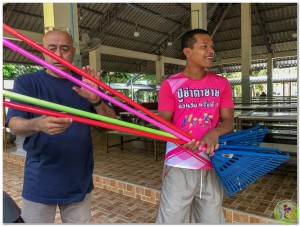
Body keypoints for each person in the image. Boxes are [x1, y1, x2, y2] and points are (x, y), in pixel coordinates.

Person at [5, 28, 116, 223]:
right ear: (42, 51)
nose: (58, 55)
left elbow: (110, 125)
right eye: (52, 48)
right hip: (39, 181)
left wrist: (96, 99)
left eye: (64, 49)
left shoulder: (86, 83)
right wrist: (38, 124)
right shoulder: (27, 82)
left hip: (78, 181)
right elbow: (14, 125)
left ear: (73, 52)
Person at [156, 29, 234, 223]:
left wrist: (215, 132)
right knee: (171, 219)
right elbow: (163, 123)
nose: (211, 51)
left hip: (211, 163)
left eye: (212, 46)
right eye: (204, 46)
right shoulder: (171, 84)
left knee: (211, 220)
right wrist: (179, 137)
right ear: (187, 52)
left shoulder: (221, 83)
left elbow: (229, 121)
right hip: (178, 164)